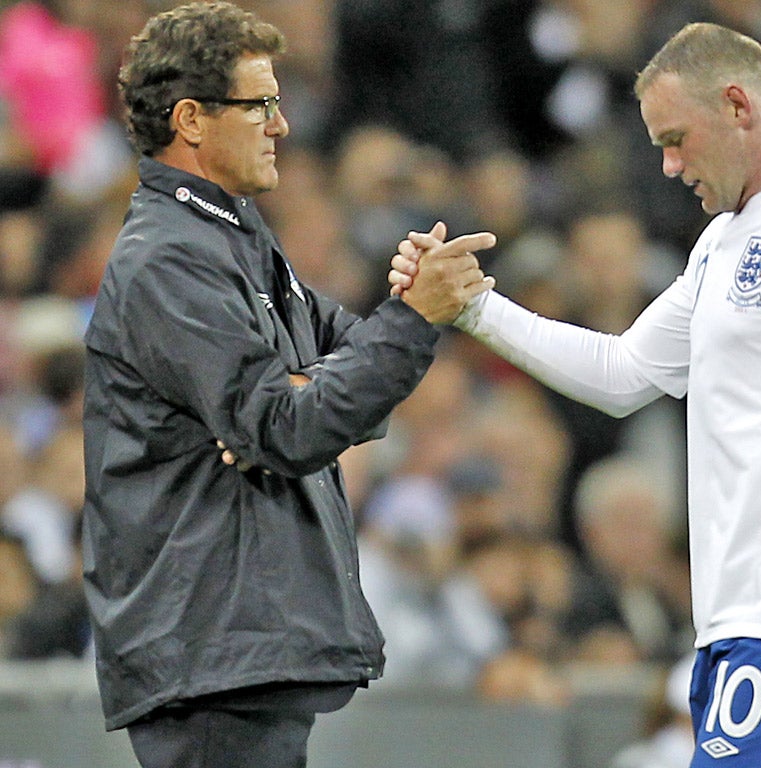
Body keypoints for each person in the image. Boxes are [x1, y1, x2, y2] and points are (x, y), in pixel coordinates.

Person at [390, 22, 761, 768]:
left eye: (677, 138)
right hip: (742, 619)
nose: (671, 164)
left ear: (740, 106)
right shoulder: (725, 239)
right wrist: (476, 308)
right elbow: (622, 374)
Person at [81, 3, 493, 768]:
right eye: (261, 104)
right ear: (191, 120)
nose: (282, 126)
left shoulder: (230, 238)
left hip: (239, 653)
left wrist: (390, 324)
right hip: (210, 652)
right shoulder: (167, 259)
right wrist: (403, 327)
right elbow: (290, 427)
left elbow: (334, 367)